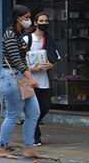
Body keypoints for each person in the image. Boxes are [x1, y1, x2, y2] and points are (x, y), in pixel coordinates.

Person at [0, 4, 44, 159]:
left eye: (30, 17)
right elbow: (15, 59)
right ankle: (2, 148)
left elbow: (20, 58)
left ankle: (29, 148)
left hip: (21, 78)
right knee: (13, 115)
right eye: (27, 18)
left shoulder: (19, 34)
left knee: (34, 112)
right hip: (12, 78)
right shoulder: (10, 34)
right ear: (18, 18)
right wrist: (30, 78)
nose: (29, 21)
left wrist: (30, 70)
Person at [22, 12, 60, 146]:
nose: (44, 23)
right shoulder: (27, 39)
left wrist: (50, 65)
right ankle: (35, 137)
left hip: (44, 81)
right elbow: (16, 59)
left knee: (44, 107)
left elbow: (56, 58)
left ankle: (30, 128)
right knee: (33, 110)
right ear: (36, 23)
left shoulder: (49, 39)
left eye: (46, 20)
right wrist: (30, 68)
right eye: (41, 21)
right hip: (29, 81)